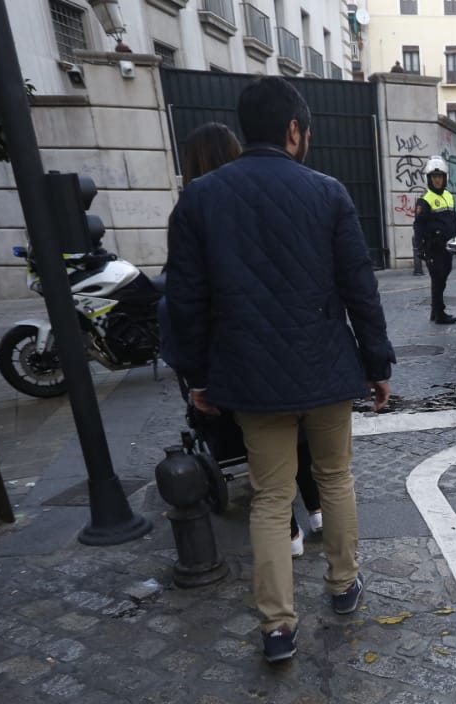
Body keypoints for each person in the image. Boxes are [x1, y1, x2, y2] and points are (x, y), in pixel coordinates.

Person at [165, 76, 394, 664]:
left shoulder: (199, 198)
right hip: (325, 370)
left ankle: (276, 627)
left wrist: (197, 377)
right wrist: (377, 363)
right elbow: (359, 289)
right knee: (335, 477)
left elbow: (186, 301)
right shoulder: (328, 193)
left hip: (250, 377)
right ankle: (343, 587)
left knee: (269, 497)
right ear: (294, 130)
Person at [164, 123, 323, 558]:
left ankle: (288, 533)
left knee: (260, 449)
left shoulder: (194, 206)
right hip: (285, 342)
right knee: (299, 434)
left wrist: (196, 375)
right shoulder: (260, 197)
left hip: (230, 352)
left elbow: (183, 297)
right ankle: (316, 511)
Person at [413, 157, 456, 324]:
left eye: (440, 177)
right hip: (433, 248)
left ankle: (435, 311)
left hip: (448, 248)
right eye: (434, 177)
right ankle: (439, 313)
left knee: (443, 278)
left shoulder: (448, 195)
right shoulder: (425, 200)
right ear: (429, 179)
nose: (437, 180)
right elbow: (418, 226)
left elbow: (454, 220)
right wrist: (420, 249)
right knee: (438, 279)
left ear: (444, 178)